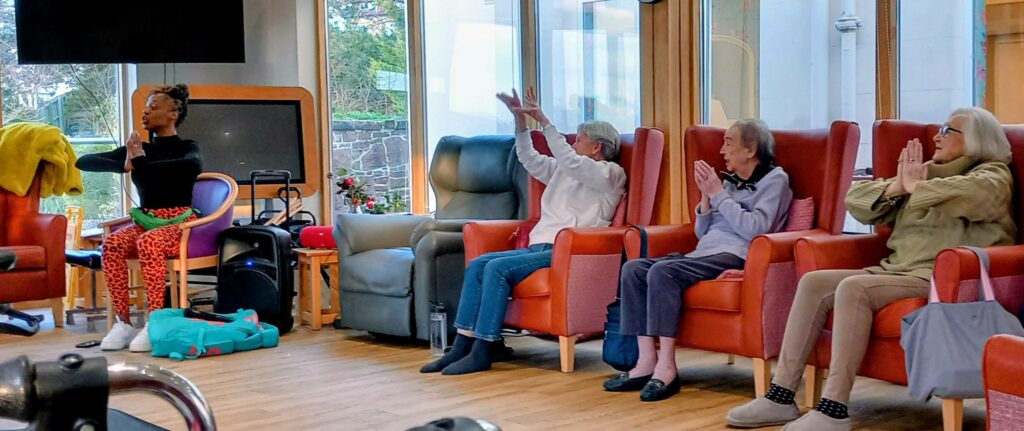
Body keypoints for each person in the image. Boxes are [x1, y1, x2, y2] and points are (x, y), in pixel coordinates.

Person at [726, 107, 1016, 431]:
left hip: (940, 278)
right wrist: (898, 188)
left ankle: (834, 407)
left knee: (853, 288)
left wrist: (917, 188)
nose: (937, 135)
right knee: (813, 282)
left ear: (976, 141)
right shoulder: (924, 172)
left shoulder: (994, 175)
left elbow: (974, 196)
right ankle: (780, 397)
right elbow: (856, 200)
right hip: (895, 271)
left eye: (948, 131)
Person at [420, 87, 626, 375]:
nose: (572, 143)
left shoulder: (610, 175)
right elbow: (528, 157)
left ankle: (484, 348)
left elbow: (571, 162)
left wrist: (544, 120)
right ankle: (462, 346)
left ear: (597, 147)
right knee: (479, 264)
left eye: (579, 140)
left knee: (497, 269)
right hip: (539, 247)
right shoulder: (564, 171)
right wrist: (520, 122)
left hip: (568, 253)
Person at [603, 119, 793, 402]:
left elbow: (756, 229)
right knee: (633, 269)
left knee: (663, 272)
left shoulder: (775, 180)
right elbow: (702, 233)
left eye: (729, 142)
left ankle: (666, 367)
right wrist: (707, 199)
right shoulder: (726, 183)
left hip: (738, 255)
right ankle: (645, 362)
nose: (722, 150)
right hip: (705, 252)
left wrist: (719, 196)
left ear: (750, 149)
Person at [76, 84, 201, 352]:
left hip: (178, 225)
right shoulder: (138, 149)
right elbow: (83, 161)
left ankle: (155, 320)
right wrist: (125, 163)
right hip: (145, 220)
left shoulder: (187, 148)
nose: (145, 111)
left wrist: (141, 163)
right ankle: (123, 322)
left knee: (150, 242)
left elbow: (190, 167)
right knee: (112, 244)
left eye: (154, 107)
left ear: (173, 114)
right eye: (146, 106)